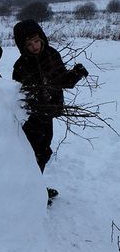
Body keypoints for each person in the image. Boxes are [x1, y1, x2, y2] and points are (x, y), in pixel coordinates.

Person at [12, 19, 88, 202]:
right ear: (23, 46)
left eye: (36, 41)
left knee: (44, 152)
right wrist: (35, 97)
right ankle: (29, 192)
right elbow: (17, 95)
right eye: (29, 44)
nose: (35, 46)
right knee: (31, 153)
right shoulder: (20, 65)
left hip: (48, 114)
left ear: (42, 38)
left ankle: (35, 187)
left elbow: (62, 80)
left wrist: (76, 73)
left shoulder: (52, 55)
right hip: (32, 118)